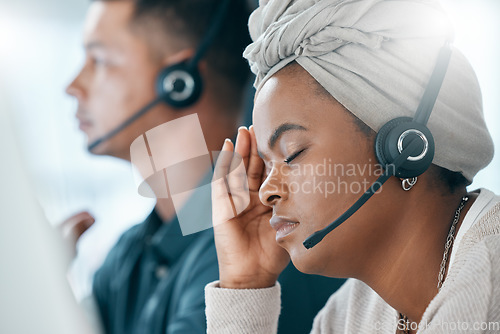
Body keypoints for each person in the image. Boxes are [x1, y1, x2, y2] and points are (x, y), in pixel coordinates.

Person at [205, 0, 500, 333]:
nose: (266, 192)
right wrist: (245, 285)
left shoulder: (488, 290)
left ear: (405, 148)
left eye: (293, 153)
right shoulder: (347, 316)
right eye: (267, 164)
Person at [65, 0, 344, 333]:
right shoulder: (128, 257)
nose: (72, 87)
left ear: (179, 82)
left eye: (100, 60)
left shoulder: (266, 246)